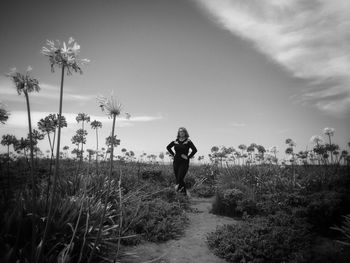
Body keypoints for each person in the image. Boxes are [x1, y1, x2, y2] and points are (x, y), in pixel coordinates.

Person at [166, 127, 197, 196]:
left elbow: (195, 150)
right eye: (180, 131)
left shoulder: (188, 141)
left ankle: (177, 192)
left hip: (184, 162)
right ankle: (184, 195)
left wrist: (188, 157)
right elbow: (168, 147)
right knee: (178, 178)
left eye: (183, 131)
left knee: (180, 178)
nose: (181, 133)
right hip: (176, 161)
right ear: (178, 133)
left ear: (185, 133)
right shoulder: (175, 141)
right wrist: (173, 154)